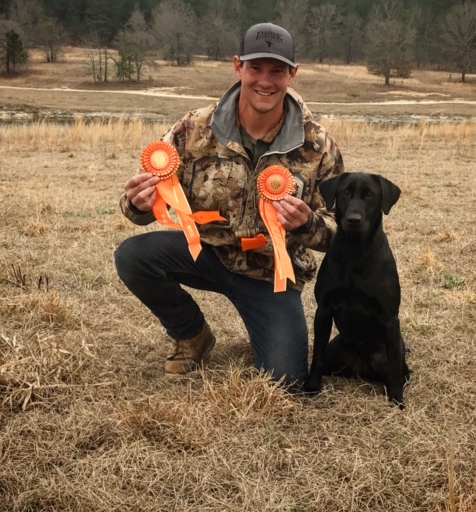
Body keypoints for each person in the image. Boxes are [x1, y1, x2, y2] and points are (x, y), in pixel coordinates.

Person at [114, 22, 344, 389]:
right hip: (206, 254)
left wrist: (307, 225)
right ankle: (192, 334)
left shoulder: (317, 145)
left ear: (292, 75)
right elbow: (137, 205)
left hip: (272, 275)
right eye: (256, 68)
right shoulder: (192, 129)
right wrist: (139, 204)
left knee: (286, 383)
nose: (265, 81)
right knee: (132, 256)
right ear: (238, 67)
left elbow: (339, 230)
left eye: (277, 71)